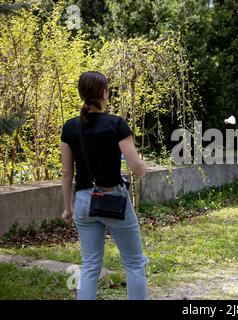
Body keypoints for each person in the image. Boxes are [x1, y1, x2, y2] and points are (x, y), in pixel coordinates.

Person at [60, 71, 149, 299]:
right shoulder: (116, 124)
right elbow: (136, 167)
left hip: (82, 203)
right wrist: (144, 166)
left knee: (90, 265)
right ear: (104, 93)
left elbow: (67, 173)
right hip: (112, 200)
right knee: (134, 263)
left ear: (82, 94)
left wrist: (67, 207)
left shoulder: (70, 128)